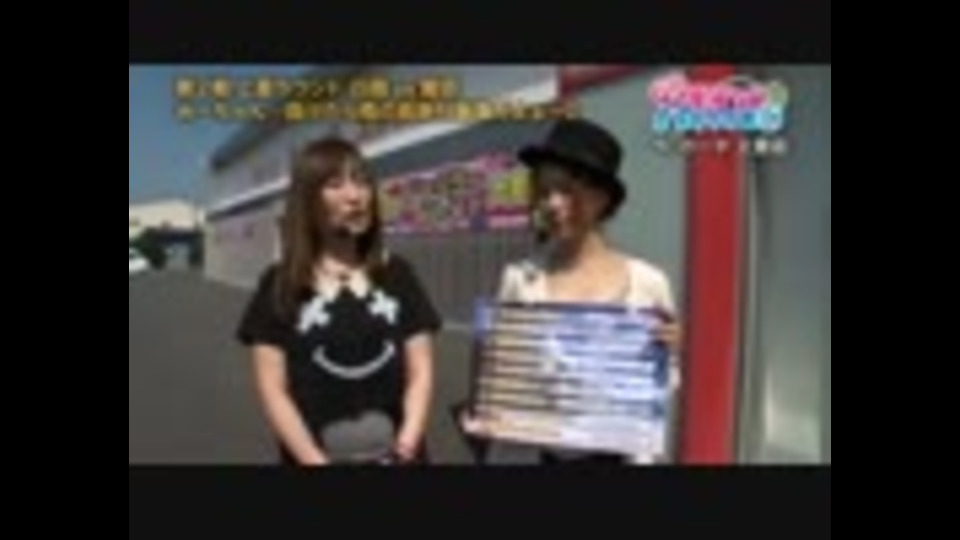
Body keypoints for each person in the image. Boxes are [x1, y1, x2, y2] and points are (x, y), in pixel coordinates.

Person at [460, 118, 683, 465]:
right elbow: (490, 382)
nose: (552, 203)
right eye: (544, 191)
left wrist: (668, 354)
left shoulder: (648, 284)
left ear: (602, 198)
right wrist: (484, 400)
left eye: (566, 191)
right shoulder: (521, 280)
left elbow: (658, 389)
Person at [236, 136, 441, 466]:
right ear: (308, 200)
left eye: (361, 182)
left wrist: (406, 446)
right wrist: (312, 459)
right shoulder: (280, 284)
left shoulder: (397, 274)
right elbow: (273, 390)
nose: (354, 196)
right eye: (335, 185)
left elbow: (421, 371)